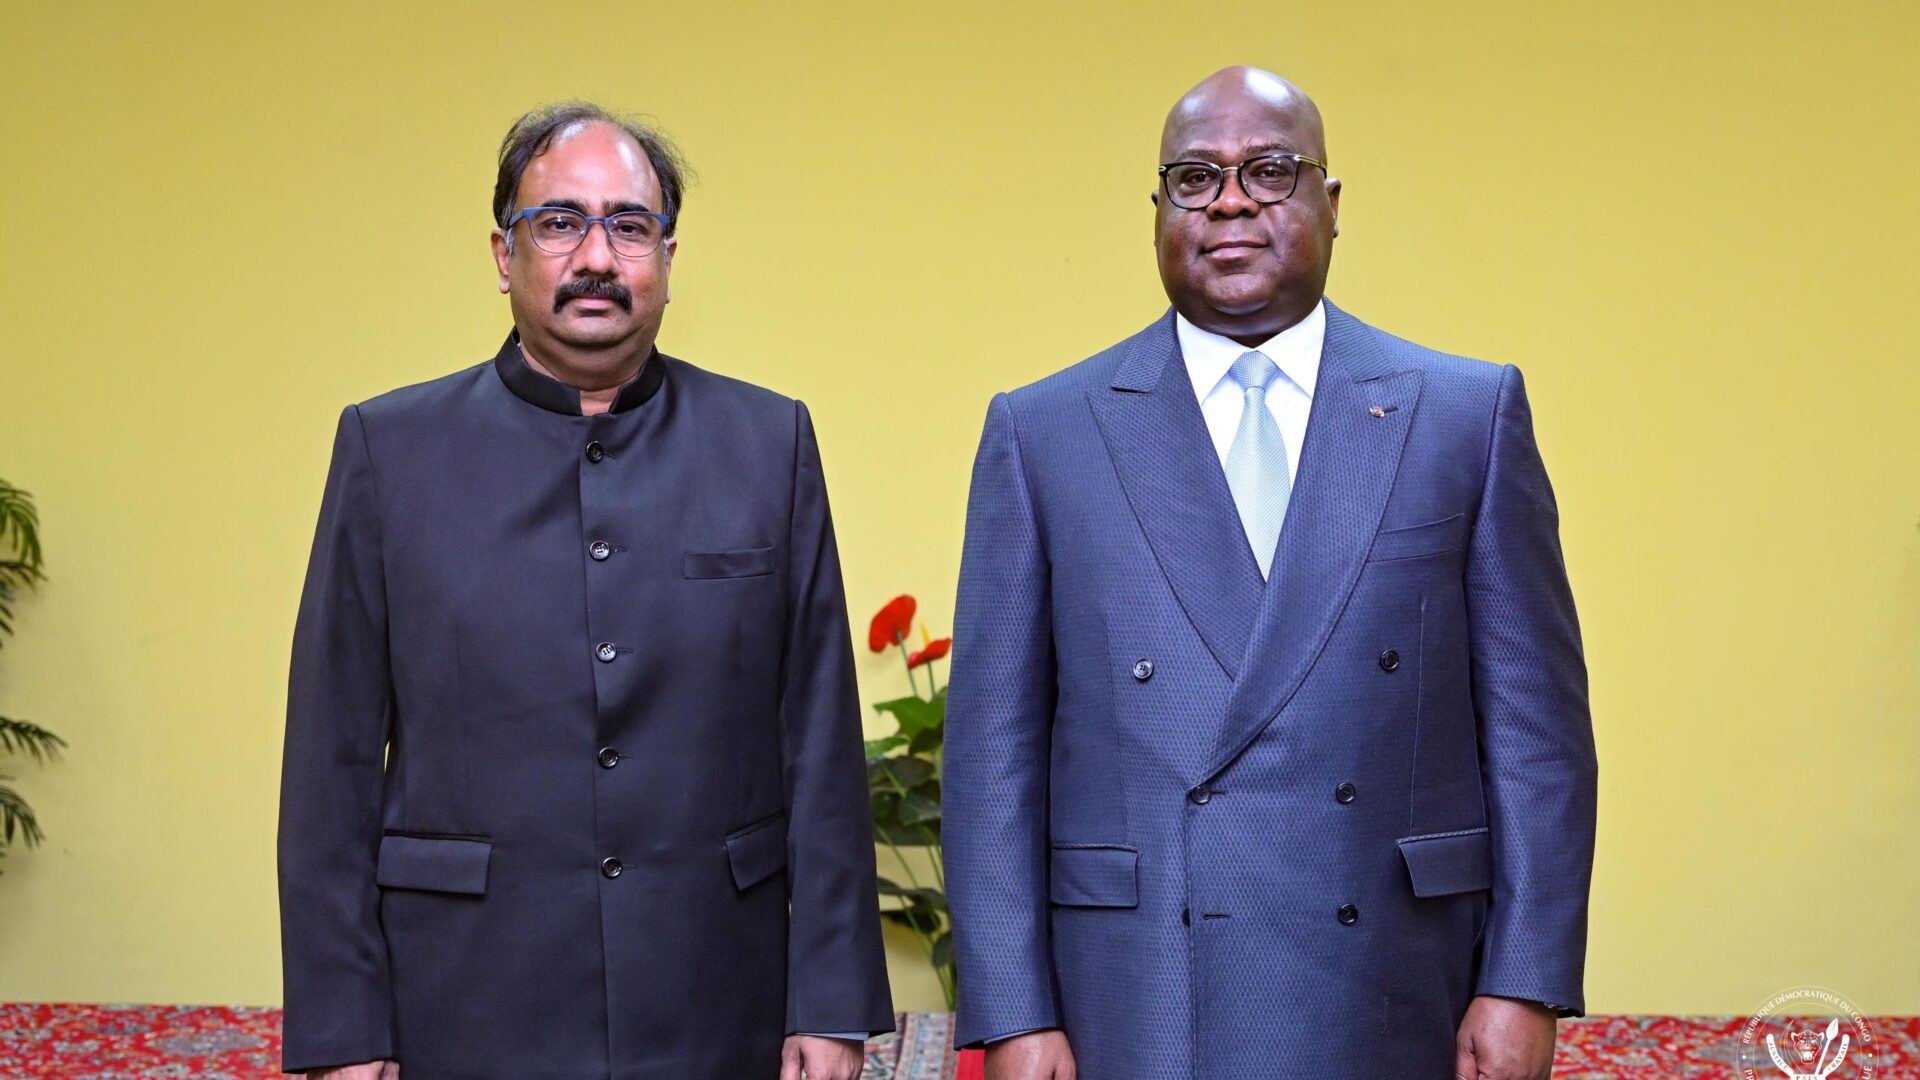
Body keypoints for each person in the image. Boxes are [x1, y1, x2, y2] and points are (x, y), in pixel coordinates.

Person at [945, 67, 1597, 1080]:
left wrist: (1524, 981)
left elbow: (1537, 736)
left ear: (1330, 204)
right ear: (1157, 213)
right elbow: (993, 754)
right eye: (1195, 178)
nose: (1231, 201)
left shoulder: (1464, 416)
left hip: (1396, 984)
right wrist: (1014, 1015)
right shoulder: (1044, 432)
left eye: (1269, 171)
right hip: (1140, 986)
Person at [277, 101, 891, 1080]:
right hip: (462, 1001)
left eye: (629, 225)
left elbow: (818, 737)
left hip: (717, 1000)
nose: (597, 256)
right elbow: (331, 760)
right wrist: (344, 1029)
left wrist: (832, 1002)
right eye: (560, 222)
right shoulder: (390, 452)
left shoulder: (766, 443)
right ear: (503, 253)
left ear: (668, 258)